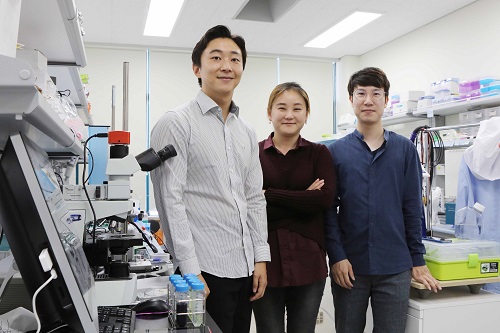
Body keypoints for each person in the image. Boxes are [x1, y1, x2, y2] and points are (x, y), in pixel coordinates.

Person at [150, 25, 270, 333]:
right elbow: (170, 199)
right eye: (216, 57)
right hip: (204, 270)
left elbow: (254, 198)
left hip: (244, 268)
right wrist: (190, 269)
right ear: (197, 68)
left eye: (235, 59)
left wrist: (260, 258)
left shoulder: (246, 131)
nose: (227, 66)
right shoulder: (177, 122)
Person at [325, 67, 441, 333]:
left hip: (394, 267)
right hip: (349, 266)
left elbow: (412, 208)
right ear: (351, 99)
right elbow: (329, 211)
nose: (368, 100)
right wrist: (337, 256)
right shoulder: (336, 152)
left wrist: (417, 259)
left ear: (385, 100)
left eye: (376, 93)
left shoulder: (404, 150)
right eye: (361, 93)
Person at [253, 82, 335, 333]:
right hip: (264, 264)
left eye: (297, 108)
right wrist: (303, 199)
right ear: (269, 113)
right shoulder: (253, 154)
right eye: (282, 107)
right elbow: (250, 209)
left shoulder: (319, 154)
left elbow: (324, 200)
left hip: (309, 262)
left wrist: (270, 195)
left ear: (306, 114)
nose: (289, 115)